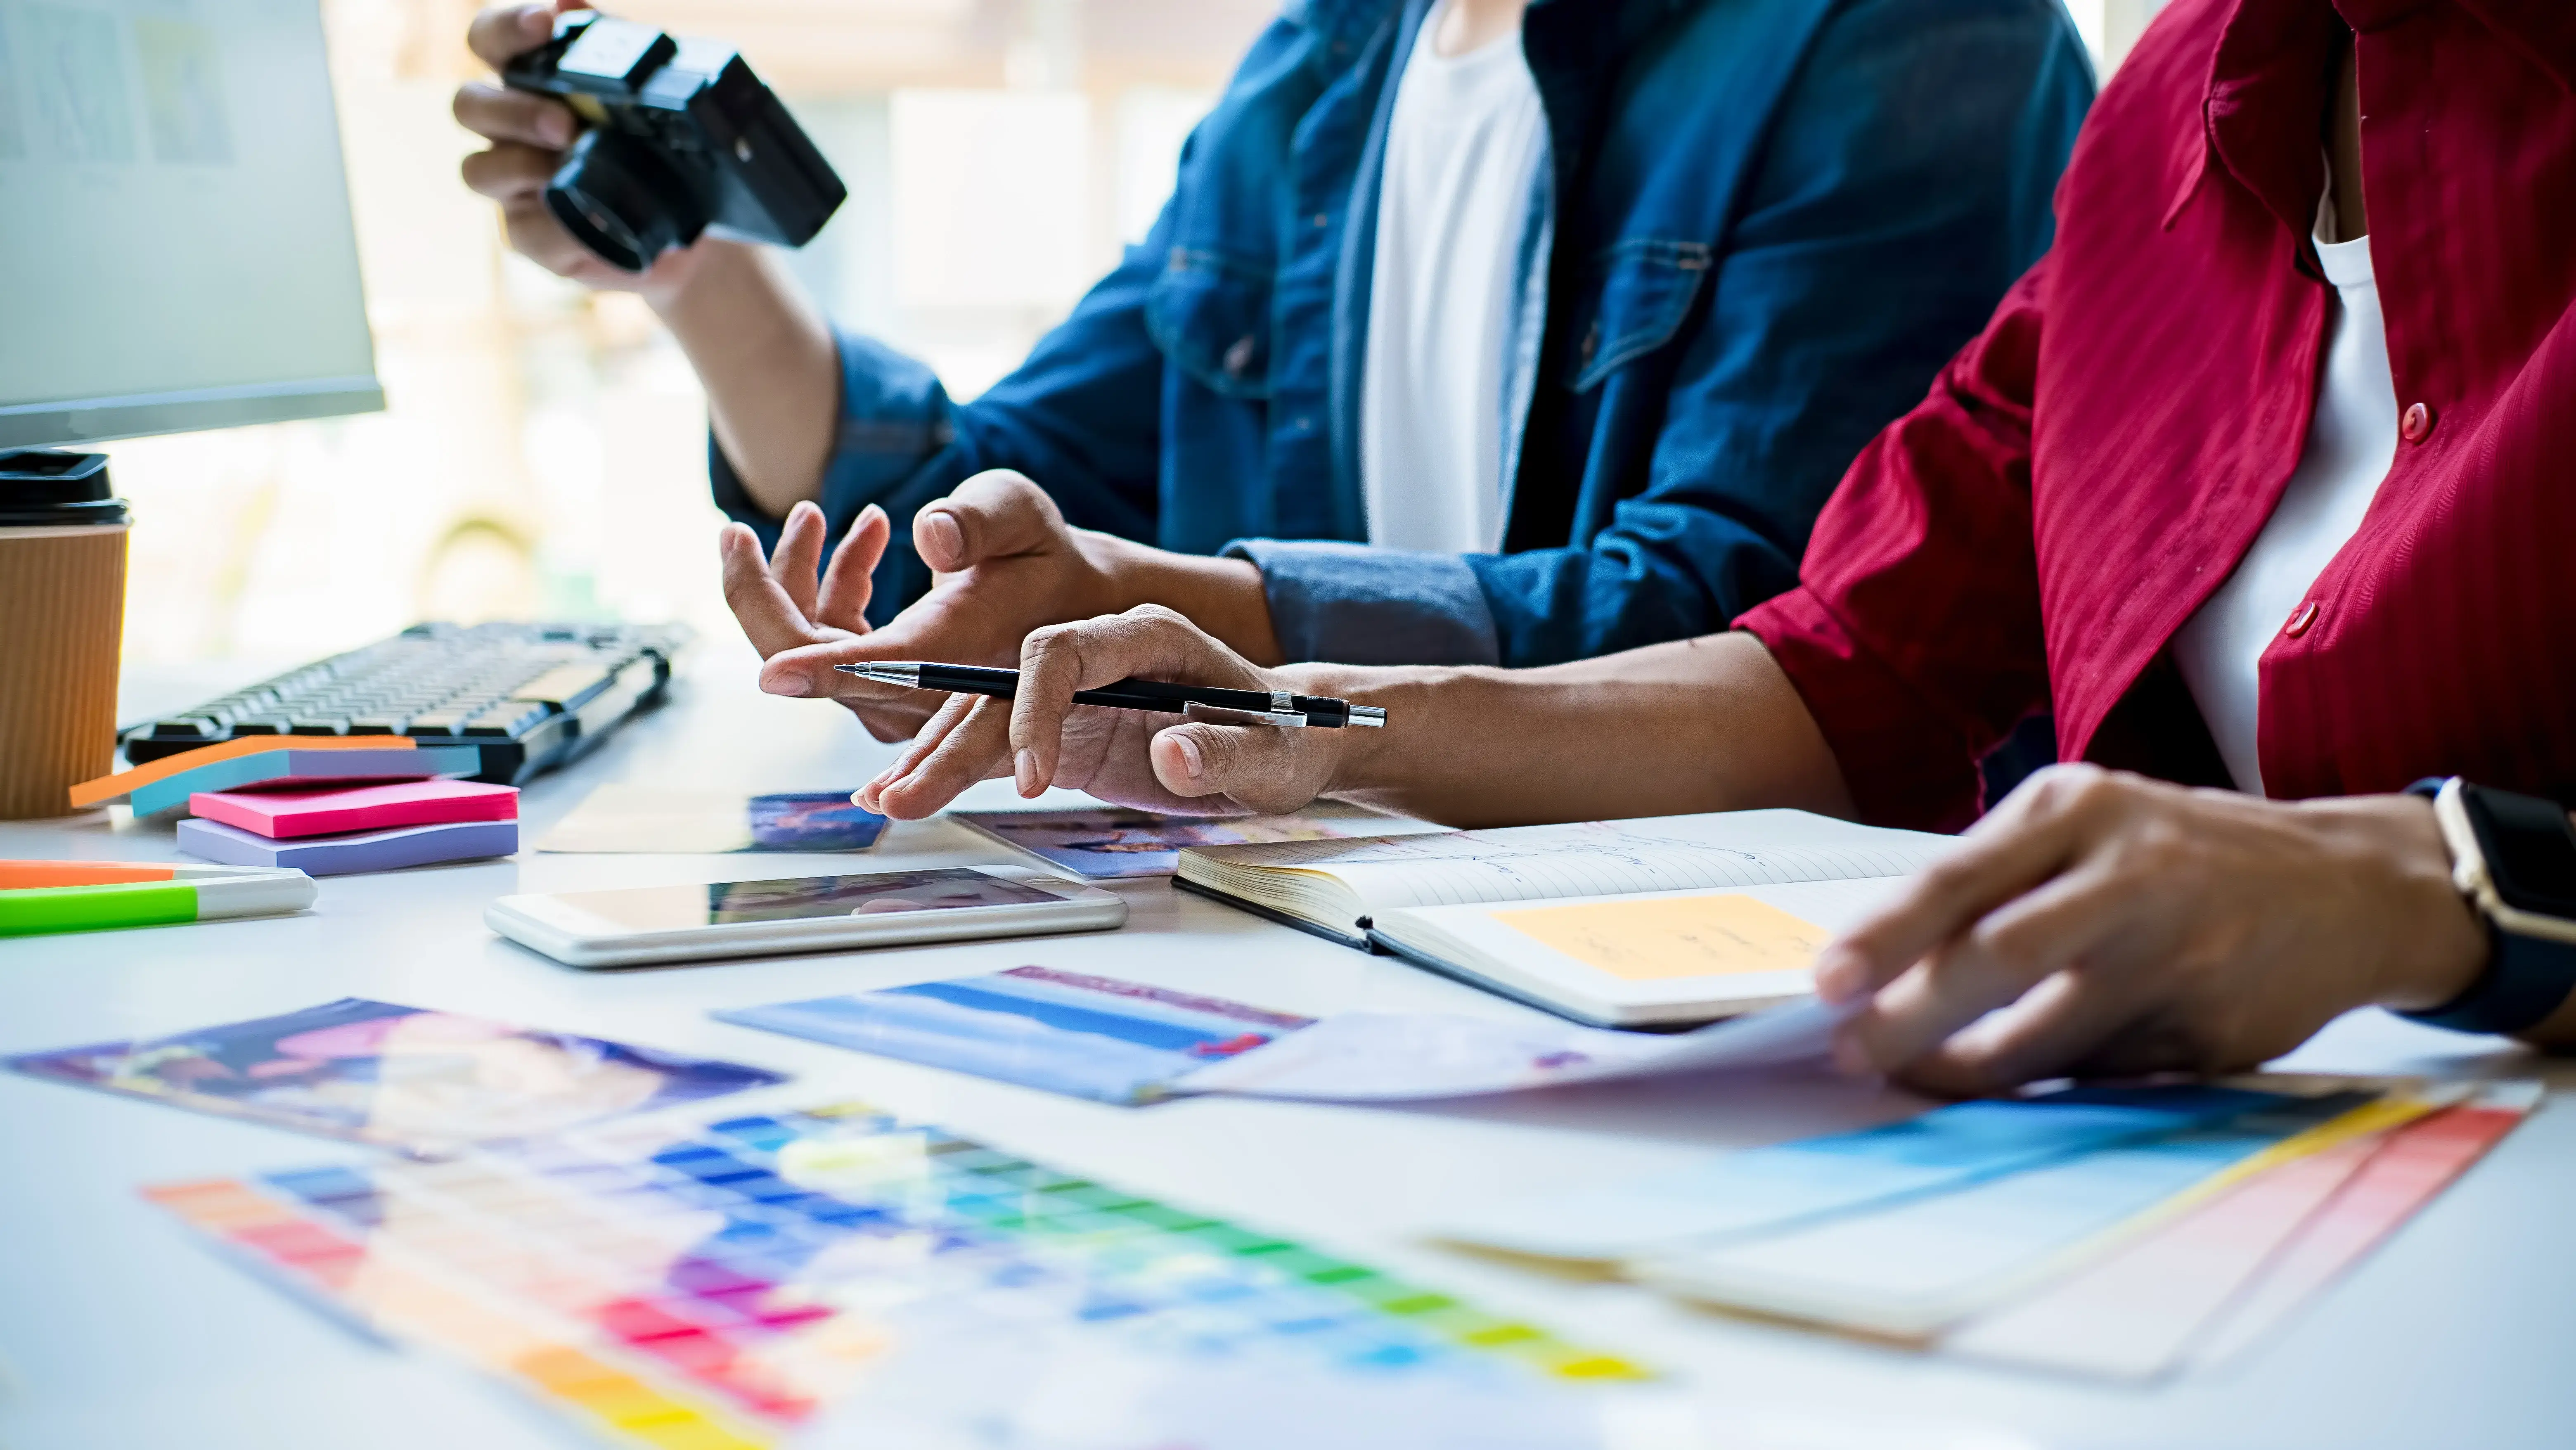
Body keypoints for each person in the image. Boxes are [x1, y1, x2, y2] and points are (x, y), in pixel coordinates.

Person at [832, 0, 2576, 1090]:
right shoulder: (2186, 88)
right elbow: (1837, 661)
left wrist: (2435, 892)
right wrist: (1289, 722)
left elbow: (1709, 578)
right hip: (2279, 1195)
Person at [454, 0, 2093, 741]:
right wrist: (687, 260)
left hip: (1720, 983)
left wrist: (1196, 621)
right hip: (1333, 905)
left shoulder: (1910, 36)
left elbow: (1761, 636)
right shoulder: (1319, 66)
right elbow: (981, 508)